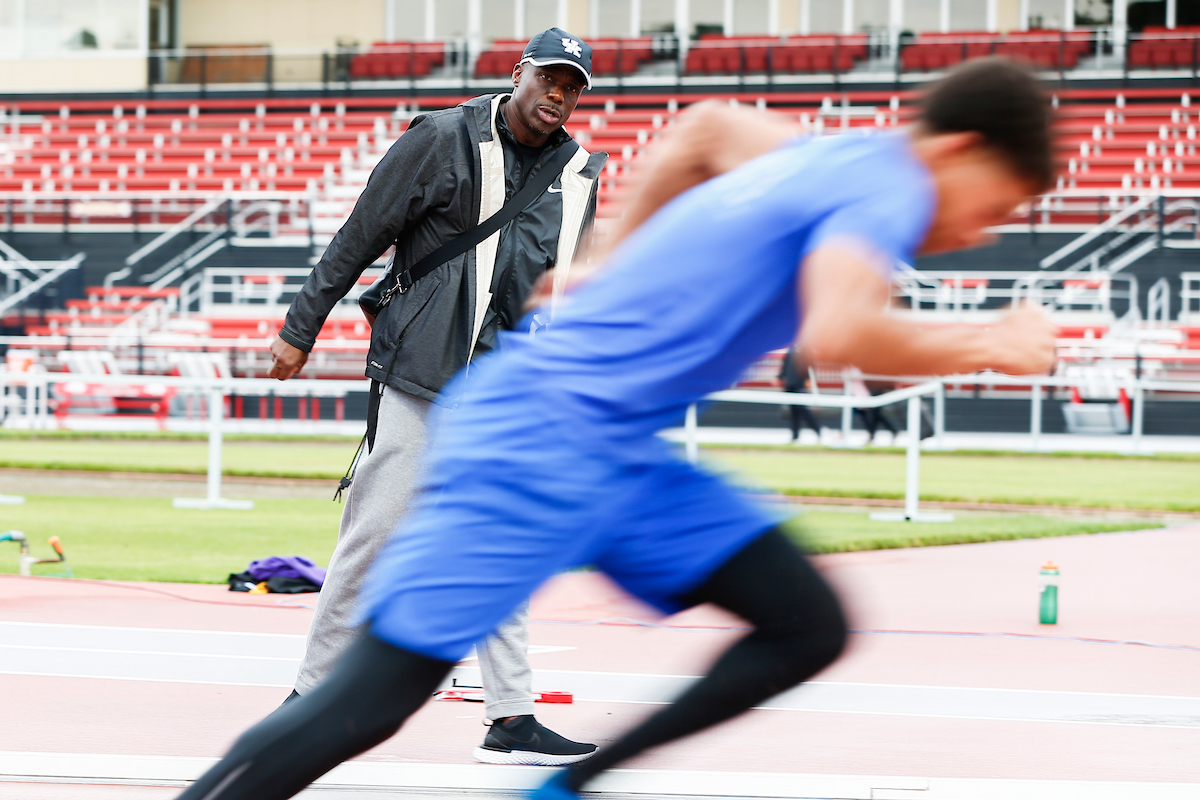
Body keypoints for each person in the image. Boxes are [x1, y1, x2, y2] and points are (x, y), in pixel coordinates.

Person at [175, 57, 1058, 800]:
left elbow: (708, 127)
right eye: (1001, 204)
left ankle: (565, 789)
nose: (986, 233)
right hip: (536, 439)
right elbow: (840, 333)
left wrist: (609, 259)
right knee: (368, 702)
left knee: (807, 622)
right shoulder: (890, 191)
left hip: (610, 452)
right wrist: (991, 339)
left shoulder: (831, 157)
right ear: (960, 149)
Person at [265, 27, 607, 765]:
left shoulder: (580, 173)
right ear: (518, 73)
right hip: (422, 367)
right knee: (373, 534)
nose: (558, 93)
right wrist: (302, 327)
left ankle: (511, 715)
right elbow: (359, 236)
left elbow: (567, 290)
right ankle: (308, 697)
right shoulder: (442, 137)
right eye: (548, 77)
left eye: (572, 85)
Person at [778, 345, 824, 443]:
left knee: (803, 410)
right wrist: (780, 377)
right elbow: (786, 364)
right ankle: (795, 436)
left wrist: (809, 379)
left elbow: (810, 365)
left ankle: (819, 430)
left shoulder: (806, 349)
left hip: (800, 383)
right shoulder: (791, 349)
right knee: (794, 411)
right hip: (790, 384)